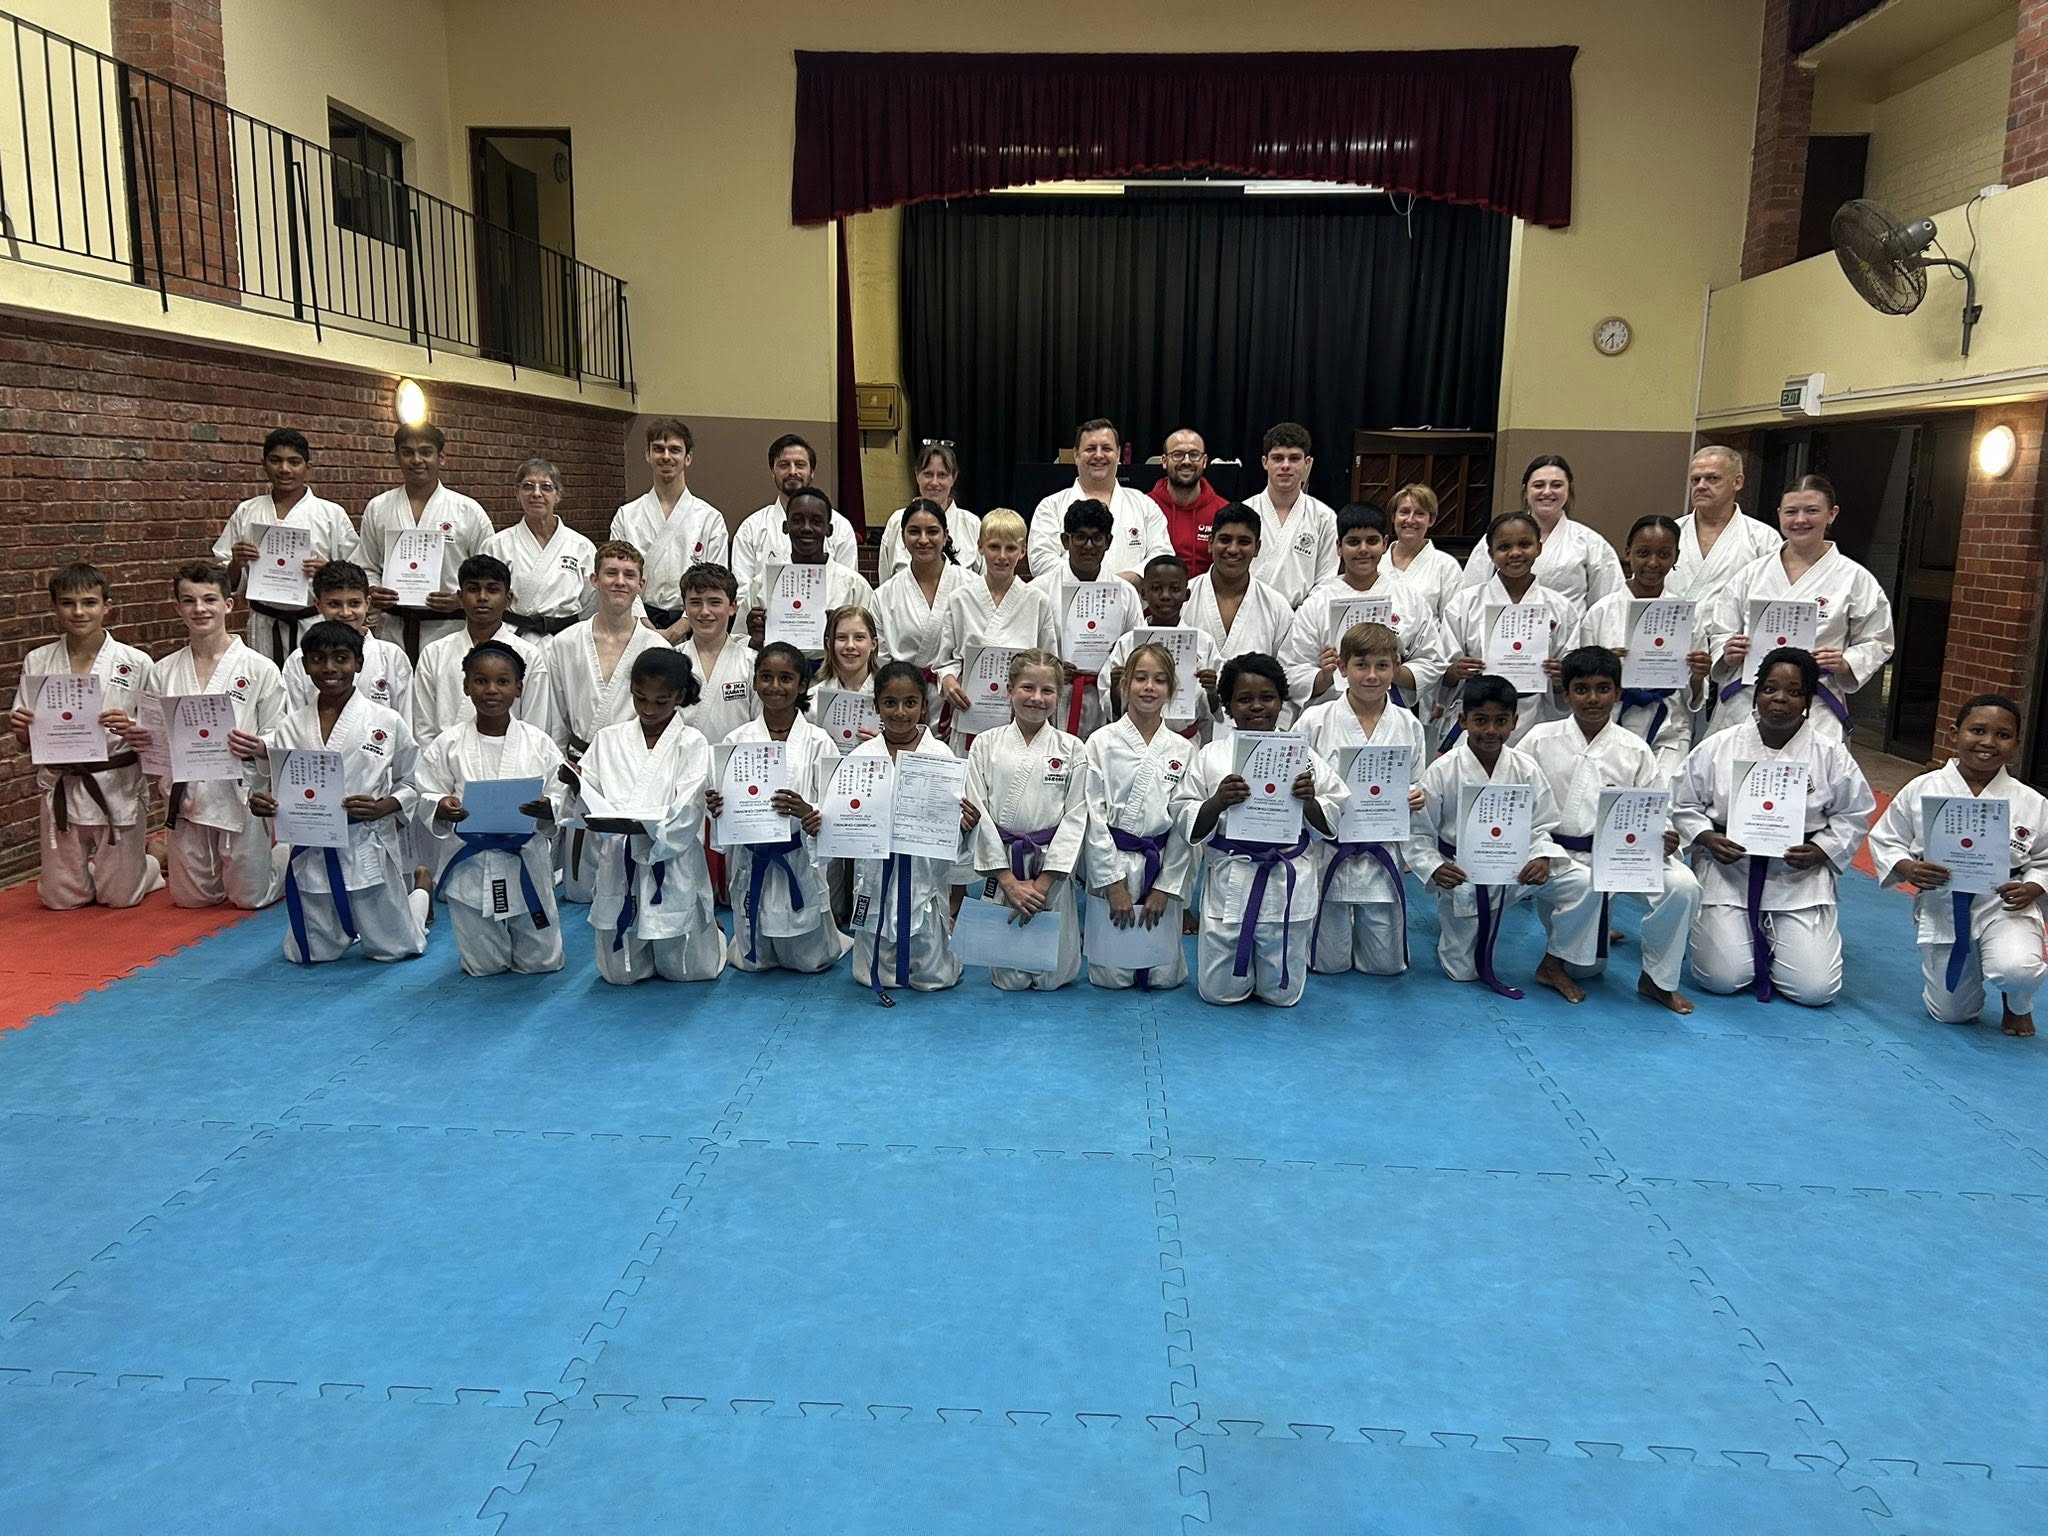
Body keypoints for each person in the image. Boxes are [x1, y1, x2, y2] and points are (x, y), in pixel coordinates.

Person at [1671, 647, 1875, 1006]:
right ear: (1756, 691)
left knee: (1816, 991)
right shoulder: (1719, 745)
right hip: (1730, 870)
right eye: (1769, 688)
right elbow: (1681, 802)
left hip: (1796, 876)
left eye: (1794, 691)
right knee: (1722, 978)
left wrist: (1822, 849)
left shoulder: (1830, 754)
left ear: (1809, 699)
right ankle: (1724, 928)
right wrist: (1706, 837)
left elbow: (1854, 812)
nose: (1780, 699)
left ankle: (1777, 932)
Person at [1521, 647, 1704, 1013]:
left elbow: (1657, 808)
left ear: (1618, 693)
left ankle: (1656, 979)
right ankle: (1556, 962)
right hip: (1562, 856)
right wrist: (1539, 850)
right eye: (1582, 689)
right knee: (1586, 970)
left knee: (1683, 886)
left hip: (1626, 855)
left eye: (1603, 688)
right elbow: (1521, 806)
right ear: (1566, 692)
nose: (1593, 699)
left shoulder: (1635, 749)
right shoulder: (1539, 739)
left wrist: (1666, 835)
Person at [241, 620, 429, 964]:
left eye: (341, 658)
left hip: (366, 843)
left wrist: (385, 806)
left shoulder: (386, 721)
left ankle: (419, 896)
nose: (329, 668)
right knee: (308, 955)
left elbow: (413, 781)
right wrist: (264, 802)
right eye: (318, 659)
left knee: (395, 949)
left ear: (358, 663)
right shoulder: (291, 726)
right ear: (305, 665)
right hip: (313, 848)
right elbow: (275, 786)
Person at [1869, 695, 2048, 1035]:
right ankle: (1968, 983)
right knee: (1950, 1013)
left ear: (2017, 744)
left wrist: (2033, 887)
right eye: (1977, 730)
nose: (1988, 742)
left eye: (2003, 735)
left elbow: (2045, 859)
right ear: (1954, 734)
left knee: (2017, 968)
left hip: (2004, 905)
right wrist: (1908, 868)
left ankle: (2018, 1000)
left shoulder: (2032, 802)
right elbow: (1886, 839)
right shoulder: (1922, 789)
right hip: (1944, 904)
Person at [1174, 653, 1345, 1007]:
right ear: (1227, 705)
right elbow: (1183, 810)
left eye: (1267, 697)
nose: (1256, 707)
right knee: (1219, 993)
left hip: (1286, 878)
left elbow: (1335, 810)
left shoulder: (1305, 756)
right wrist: (1217, 802)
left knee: (1282, 996)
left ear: (1282, 700)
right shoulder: (1210, 756)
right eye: (1244, 699)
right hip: (1233, 876)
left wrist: (1309, 800)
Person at [1406, 674, 1588, 1000]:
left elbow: (1541, 824)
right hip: (1464, 873)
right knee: (1462, 973)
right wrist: (1434, 867)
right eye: (1481, 721)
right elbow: (1418, 831)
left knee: (1584, 883)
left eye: (1500, 721)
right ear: (1463, 720)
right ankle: (1452, 927)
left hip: (1516, 868)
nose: (1491, 731)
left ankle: (1555, 962)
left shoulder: (1526, 767)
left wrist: (1542, 855)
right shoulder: (1443, 770)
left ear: (1514, 722)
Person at [9, 562, 162, 910]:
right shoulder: (38, 661)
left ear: (107, 606)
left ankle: (150, 862)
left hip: (116, 783)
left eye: (89, 602)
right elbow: (26, 738)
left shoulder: (135, 662)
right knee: (61, 900)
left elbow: (156, 735)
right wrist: (22, 730)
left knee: (121, 898)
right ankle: (107, 867)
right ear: (54, 607)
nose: (79, 612)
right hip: (63, 782)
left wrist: (132, 727)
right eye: (68, 603)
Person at [133, 561, 285, 910]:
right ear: (178, 608)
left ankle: (288, 854)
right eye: (189, 601)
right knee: (193, 900)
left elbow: (280, 729)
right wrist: (143, 739)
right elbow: (154, 737)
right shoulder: (163, 670)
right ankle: (167, 855)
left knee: (250, 898)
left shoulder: (259, 668)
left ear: (228, 605)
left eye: (209, 599)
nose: (199, 609)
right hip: (187, 796)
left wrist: (261, 745)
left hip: (239, 793)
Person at [1703, 474, 1895, 742]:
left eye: (1812, 511)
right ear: (1780, 515)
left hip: (1817, 699)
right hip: (1748, 696)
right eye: (1791, 512)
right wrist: (1728, 650)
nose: (1800, 520)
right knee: (1736, 772)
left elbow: (1878, 639)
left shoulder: (1854, 578)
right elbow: (1722, 627)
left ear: (1832, 514)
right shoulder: (1752, 574)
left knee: (1812, 777)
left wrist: (1845, 662)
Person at [416, 641, 566, 976]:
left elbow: (561, 793)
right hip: (472, 865)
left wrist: (549, 808)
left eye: (502, 681)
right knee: (484, 967)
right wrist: (441, 805)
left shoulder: (538, 742)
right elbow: (426, 789)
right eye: (481, 681)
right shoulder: (449, 743)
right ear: (466, 686)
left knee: (543, 964)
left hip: (524, 860)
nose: (491, 690)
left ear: (518, 687)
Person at [579, 648, 724, 985]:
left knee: (687, 972)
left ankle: (710, 932)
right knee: (620, 975)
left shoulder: (692, 742)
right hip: (619, 858)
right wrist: (576, 792)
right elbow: (587, 795)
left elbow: (688, 808)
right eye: (640, 698)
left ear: (680, 696)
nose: (648, 709)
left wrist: (649, 835)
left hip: (671, 861)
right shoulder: (607, 739)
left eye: (661, 702)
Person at [708, 642, 851, 974]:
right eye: (766, 677)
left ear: (802, 685)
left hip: (798, 856)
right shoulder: (734, 741)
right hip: (752, 856)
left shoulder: (819, 741)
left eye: (786, 678)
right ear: (755, 682)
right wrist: (717, 808)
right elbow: (723, 812)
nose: (775, 687)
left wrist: (806, 809)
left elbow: (833, 808)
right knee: (752, 961)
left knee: (808, 960)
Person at [1297, 623, 1427, 976]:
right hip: (1330, 849)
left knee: (1384, 967)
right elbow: (1297, 781)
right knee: (1328, 964)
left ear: (1396, 667)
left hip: (1381, 850)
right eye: (1361, 665)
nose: (1372, 676)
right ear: (1342, 667)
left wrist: (1416, 796)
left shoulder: (1408, 723)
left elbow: (1417, 778)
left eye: (1382, 666)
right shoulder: (1315, 720)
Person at [850, 660, 979, 998]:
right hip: (877, 869)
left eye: (910, 703)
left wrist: (964, 822)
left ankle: (929, 962)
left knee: (932, 959)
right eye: (890, 703)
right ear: (877, 704)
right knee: (873, 951)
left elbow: (953, 817)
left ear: (924, 705)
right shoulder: (863, 756)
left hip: (923, 868)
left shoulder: (939, 753)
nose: (900, 712)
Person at [548, 540, 669, 902]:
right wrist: (561, 769)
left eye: (629, 575)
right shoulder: (565, 643)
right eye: (611, 573)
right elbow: (555, 718)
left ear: (641, 585)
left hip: (634, 765)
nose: (620, 582)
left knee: (632, 876)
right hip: (582, 763)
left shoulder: (658, 648)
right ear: (593, 580)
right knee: (582, 887)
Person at [965, 649, 1088, 991]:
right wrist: (1008, 881)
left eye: (1047, 691)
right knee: (1009, 978)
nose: (1037, 698)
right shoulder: (985, 745)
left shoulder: (1073, 748)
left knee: (1054, 977)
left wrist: (1043, 884)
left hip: (1051, 870)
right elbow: (978, 814)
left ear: (1059, 695)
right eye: (1027, 688)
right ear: (1009, 690)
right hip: (1006, 864)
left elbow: (1077, 818)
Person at [1081, 641, 1196, 989]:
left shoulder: (1184, 749)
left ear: (1172, 689)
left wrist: (1165, 887)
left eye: (1160, 680)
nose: (1149, 687)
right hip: (1113, 858)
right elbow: (1092, 815)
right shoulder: (1100, 742)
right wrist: (1112, 883)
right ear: (1124, 683)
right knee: (1111, 976)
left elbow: (1184, 823)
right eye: (1141, 678)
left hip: (1159, 861)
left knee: (1163, 975)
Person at [1572, 515, 1712, 781]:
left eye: (1663, 554)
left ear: (1675, 557)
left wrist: (1698, 674)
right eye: (1643, 553)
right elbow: (1579, 675)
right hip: (1612, 723)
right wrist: (1605, 665)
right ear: (1628, 553)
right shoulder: (1602, 611)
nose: (1653, 563)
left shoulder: (1685, 615)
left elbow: (1694, 698)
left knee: (1663, 801)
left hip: (1669, 726)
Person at [212, 427, 358, 666]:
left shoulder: (331, 514)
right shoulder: (247, 511)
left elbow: (355, 574)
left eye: (294, 462)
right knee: (265, 687)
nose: (285, 469)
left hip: (313, 621)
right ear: (264, 464)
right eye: (276, 461)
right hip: (264, 620)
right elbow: (224, 581)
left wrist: (328, 571)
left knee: (312, 687)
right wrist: (236, 562)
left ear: (307, 467)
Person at [1282, 501, 1444, 711]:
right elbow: (1291, 669)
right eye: (1353, 542)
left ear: (1385, 544)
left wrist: (1390, 668)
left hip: (1391, 712)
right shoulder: (1317, 602)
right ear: (1339, 547)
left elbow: (1432, 661)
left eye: (1372, 541)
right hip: (1331, 714)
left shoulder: (1409, 599)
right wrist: (1325, 675)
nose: (1363, 550)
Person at [1437, 512, 1581, 749]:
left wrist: (1560, 677)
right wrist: (1456, 670)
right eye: (1504, 547)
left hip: (1540, 720)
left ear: (1539, 548)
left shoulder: (1561, 608)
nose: (1515, 553)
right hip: (1478, 720)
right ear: (1491, 553)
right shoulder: (1465, 604)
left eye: (1524, 544)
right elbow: (1443, 672)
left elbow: (1571, 677)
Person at [359, 423, 494, 660]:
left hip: (450, 628)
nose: (416, 459)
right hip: (393, 627)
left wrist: (461, 599)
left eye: (425, 452)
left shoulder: (468, 511)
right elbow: (367, 564)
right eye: (408, 452)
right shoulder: (378, 508)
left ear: (441, 457)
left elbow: (490, 573)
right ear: (397, 456)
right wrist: (373, 589)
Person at [936, 510, 1059, 750]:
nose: (1002, 556)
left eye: (1011, 548)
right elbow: (944, 660)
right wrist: (949, 680)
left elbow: (1050, 661)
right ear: (980, 546)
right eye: (994, 547)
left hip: (1021, 713)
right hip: (971, 708)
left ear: (1023, 551)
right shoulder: (960, 599)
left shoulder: (1037, 600)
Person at [411, 555, 554, 755]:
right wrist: (439, 771)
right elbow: (423, 729)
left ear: (508, 599)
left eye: (493, 589)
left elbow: (536, 726)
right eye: (473, 589)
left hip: (511, 762)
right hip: (447, 765)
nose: (482, 597)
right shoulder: (434, 653)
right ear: (460, 598)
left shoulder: (529, 655)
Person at [1031, 499, 1143, 738]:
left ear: (1109, 542)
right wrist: (1049, 669)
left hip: (1106, 700)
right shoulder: (1039, 590)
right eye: (1080, 537)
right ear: (1065, 540)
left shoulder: (1125, 593)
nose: (1089, 546)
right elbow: (1023, 649)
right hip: (1054, 700)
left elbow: (1138, 653)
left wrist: (1119, 672)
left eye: (1097, 538)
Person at [610, 418, 728, 638]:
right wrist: (645, 626)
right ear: (647, 455)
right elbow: (619, 578)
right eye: (658, 449)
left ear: (688, 457)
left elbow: (717, 582)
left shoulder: (710, 518)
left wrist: (680, 627)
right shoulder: (626, 516)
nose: (666, 457)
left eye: (674, 450)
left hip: (694, 626)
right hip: (637, 624)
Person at [1459, 455, 1625, 609]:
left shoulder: (1590, 542)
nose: (1547, 492)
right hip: (1503, 631)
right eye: (1538, 485)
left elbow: (1607, 605)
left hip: (1568, 636)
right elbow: (1471, 595)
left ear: (1569, 489)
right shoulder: (1497, 537)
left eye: (1556, 485)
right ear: (1526, 491)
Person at [738, 487, 877, 662]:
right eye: (797, 520)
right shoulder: (762, 583)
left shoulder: (854, 586)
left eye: (816, 521)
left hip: (835, 676)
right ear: (785, 526)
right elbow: (737, 643)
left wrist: (840, 635)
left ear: (829, 529)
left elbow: (872, 645)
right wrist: (755, 640)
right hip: (777, 679)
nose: (806, 528)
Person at [1027, 419, 1170, 582]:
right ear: (1076, 455)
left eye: (1107, 448)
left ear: (1118, 454)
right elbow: (1040, 559)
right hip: (1066, 605)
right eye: (1090, 448)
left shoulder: (1145, 505)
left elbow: (1162, 556)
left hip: (1130, 603)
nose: (1099, 455)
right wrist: (1093, 583)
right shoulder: (1051, 506)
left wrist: (1123, 584)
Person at [1102, 554, 1222, 741]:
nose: (1165, 596)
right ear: (1143, 593)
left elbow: (1216, 711)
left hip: (1184, 741)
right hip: (1134, 740)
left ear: (1186, 594)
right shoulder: (1127, 643)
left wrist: (1212, 690)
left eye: (1174, 589)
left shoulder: (1203, 643)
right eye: (1156, 589)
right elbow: (1112, 708)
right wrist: (1116, 689)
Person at [875, 499, 972, 726]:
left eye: (932, 531)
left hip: (958, 697)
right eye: (914, 532)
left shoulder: (971, 586)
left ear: (946, 535)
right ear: (902, 537)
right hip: (904, 704)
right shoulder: (884, 595)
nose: (923, 539)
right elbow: (881, 659)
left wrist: (950, 676)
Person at [282, 561, 413, 719]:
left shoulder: (391, 657)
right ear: (318, 605)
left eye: (354, 603)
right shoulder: (299, 660)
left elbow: (405, 723)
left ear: (367, 604)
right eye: (334, 604)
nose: (345, 613)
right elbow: (293, 725)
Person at [730, 434, 861, 588]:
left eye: (800, 465)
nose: (792, 471)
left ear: (812, 471)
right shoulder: (751, 528)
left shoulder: (840, 527)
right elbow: (742, 591)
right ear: (773, 471)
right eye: (784, 465)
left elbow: (848, 585)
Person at [486, 457, 596, 636]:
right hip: (512, 638)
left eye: (546, 487)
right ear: (517, 493)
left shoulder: (582, 548)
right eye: (528, 486)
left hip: (566, 638)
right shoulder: (496, 546)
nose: (536, 493)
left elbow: (592, 602)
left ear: (558, 495)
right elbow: (484, 599)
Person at [1185, 503, 1296, 665]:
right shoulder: (1183, 596)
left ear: (1257, 548)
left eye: (1244, 542)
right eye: (1225, 540)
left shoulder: (1277, 607)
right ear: (1210, 543)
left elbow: (1288, 670)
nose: (1233, 549)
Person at [1244, 422, 1337, 606]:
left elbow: (1326, 580)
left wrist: (1303, 617)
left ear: (1307, 463)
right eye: (1277, 458)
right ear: (1265, 462)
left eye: (1294, 458)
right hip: (1250, 611)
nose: (1285, 466)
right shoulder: (1245, 512)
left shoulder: (1324, 517)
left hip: (1302, 617)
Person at [1673, 444, 1778, 607]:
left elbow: (1771, 597)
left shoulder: (1763, 538)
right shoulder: (1672, 532)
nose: (1701, 486)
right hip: (1670, 629)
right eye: (1695, 479)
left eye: (1712, 478)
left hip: (1732, 632)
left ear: (1737, 482)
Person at [675, 562, 757, 753]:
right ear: (685, 608)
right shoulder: (672, 661)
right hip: (683, 766)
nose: (705, 611)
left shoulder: (752, 662)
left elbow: (760, 726)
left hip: (737, 765)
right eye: (695, 602)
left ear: (732, 607)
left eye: (715, 602)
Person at [876, 444, 981, 578]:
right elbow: (886, 585)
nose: (934, 482)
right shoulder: (897, 521)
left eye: (942, 475)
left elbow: (983, 586)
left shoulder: (972, 524)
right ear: (917, 475)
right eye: (928, 474)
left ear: (953, 478)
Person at [1384, 482, 1465, 625]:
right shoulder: (1376, 562)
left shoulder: (1446, 566)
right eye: (1404, 512)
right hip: (1379, 646)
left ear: (1431, 520)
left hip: (1428, 646)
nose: (1410, 520)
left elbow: (1453, 622)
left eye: (1420, 513)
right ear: (1393, 517)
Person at [1148, 428, 1225, 579]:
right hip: (1154, 600)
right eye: (1177, 454)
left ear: (1204, 461)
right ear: (1164, 461)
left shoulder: (1222, 511)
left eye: (1194, 454)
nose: (1186, 461)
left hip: (1206, 599)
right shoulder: (1145, 507)